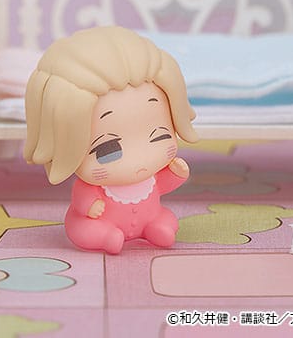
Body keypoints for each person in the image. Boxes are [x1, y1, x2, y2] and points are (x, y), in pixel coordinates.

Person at [24, 26, 198, 253]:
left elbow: (161, 185)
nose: (138, 161)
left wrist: (176, 174)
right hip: (102, 222)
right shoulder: (92, 187)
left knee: (166, 217)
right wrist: (90, 206)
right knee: (83, 228)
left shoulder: (149, 178)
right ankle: (106, 237)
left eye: (159, 136)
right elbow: (82, 200)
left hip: (150, 215)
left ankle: (157, 229)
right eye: (107, 150)